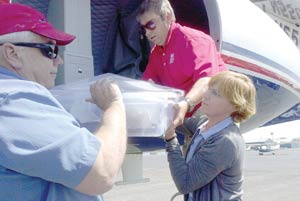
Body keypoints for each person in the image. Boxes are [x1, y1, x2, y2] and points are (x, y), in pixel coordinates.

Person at [0, 3, 127, 201]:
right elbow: (101, 171)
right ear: (12, 54)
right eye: (50, 50)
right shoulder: (15, 99)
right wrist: (114, 106)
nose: (59, 61)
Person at [137, 0, 227, 150]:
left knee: (206, 164)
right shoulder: (157, 54)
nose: (147, 33)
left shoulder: (194, 40)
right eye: (143, 29)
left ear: (167, 16)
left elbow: (206, 81)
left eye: (151, 25)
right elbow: (147, 84)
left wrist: (186, 103)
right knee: (191, 166)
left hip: (214, 114)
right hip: (191, 119)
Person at [164, 71, 256, 201]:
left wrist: (170, 140)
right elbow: (179, 121)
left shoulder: (225, 141)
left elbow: (185, 183)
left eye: (216, 94)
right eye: (209, 89)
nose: (206, 96)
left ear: (235, 105)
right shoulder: (204, 124)